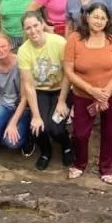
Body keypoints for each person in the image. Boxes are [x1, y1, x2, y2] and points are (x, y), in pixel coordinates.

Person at [64, 3, 112, 184]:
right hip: (84, 94)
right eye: (95, 16)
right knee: (80, 133)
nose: (99, 21)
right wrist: (91, 90)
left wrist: (106, 91)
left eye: (103, 18)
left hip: (111, 93)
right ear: (87, 17)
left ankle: (106, 168)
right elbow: (68, 71)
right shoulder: (74, 39)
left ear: (107, 21)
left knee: (110, 131)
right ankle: (79, 163)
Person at [17, 12, 73, 171]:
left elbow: (68, 75)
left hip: (62, 90)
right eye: (28, 28)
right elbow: (28, 85)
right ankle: (45, 151)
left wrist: (62, 102)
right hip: (40, 91)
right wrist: (35, 115)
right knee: (38, 126)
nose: (33, 31)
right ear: (24, 30)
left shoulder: (59, 42)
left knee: (55, 128)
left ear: (42, 24)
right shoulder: (23, 51)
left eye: (35, 25)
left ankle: (67, 145)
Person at [0, 34, 33, 153]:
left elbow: (25, 98)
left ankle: (27, 134)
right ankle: (3, 128)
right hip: (4, 104)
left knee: (11, 142)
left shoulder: (21, 63)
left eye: (4, 46)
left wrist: (13, 123)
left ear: (10, 46)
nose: (1, 50)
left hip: (23, 106)